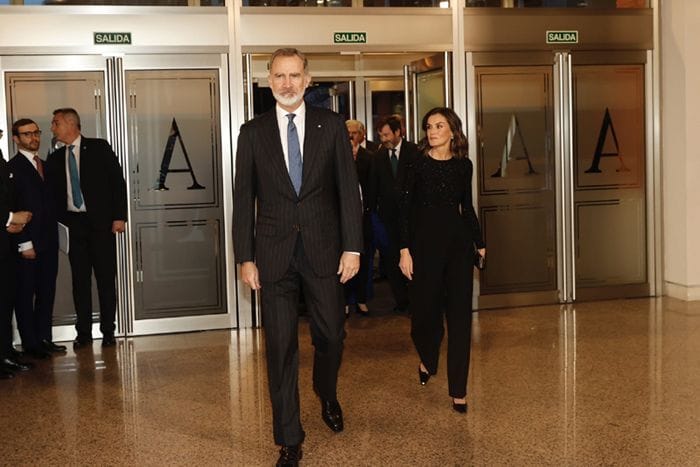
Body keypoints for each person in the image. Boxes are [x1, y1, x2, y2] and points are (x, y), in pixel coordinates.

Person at [233, 48, 363, 467]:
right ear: (268, 80)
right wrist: (245, 256)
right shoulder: (252, 133)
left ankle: (326, 392)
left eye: (294, 75)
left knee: (331, 335)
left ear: (308, 80)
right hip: (273, 255)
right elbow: (243, 200)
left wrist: (353, 246)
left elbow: (348, 193)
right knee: (280, 347)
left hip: (325, 251)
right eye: (278, 76)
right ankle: (289, 438)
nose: (287, 83)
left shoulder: (331, 127)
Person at [398, 107, 486, 414]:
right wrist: (404, 249)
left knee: (460, 318)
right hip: (424, 248)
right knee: (425, 315)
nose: (432, 131)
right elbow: (405, 209)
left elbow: (467, 207)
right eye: (428, 126)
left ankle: (458, 389)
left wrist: (480, 242)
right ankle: (427, 356)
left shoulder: (464, 166)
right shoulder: (416, 164)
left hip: (458, 247)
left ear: (452, 131)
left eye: (438, 125)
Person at [45, 108, 128, 349]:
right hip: (74, 227)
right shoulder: (55, 157)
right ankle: (83, 333)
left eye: (56, 123)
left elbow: (117, 183)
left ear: (71, 124)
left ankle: (108, 331)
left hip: (102, 225)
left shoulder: (99, 147)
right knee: (79, 282)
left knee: (104, 279)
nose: (52, 128)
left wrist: (119, 217)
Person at [9, 119, 64, 360]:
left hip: (49, 241)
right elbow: (13, 208)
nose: (34, 138)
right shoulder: (13, 168)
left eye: (36, 133)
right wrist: (24, 242)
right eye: (27, 134)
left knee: (47, 292)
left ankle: (44, 338)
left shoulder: (46, 166)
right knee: (25, 294)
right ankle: (30, 343)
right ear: (16, 139)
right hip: (28, 243)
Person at [367, 115, 419, 313]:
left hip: (413, 218)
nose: (384, 139)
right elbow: (373, 187)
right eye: (381, 135)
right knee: (391, 260)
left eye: (387, 134)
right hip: (388, 219)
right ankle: (402, 301)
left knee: (414, 258)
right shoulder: (379, 157)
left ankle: (417, 300)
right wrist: (371, 214)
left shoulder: (415, 152)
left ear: (398, 132)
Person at [0, 134, 33, 378]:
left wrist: (10, 221)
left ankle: (6, 352)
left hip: (6, 244)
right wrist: (10, 219)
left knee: (5, 301)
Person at [345, 119, 373, 316]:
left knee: (363, 261)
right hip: (342, 222)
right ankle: (344, 302)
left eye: (353, 133)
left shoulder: (370, 157)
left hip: (365, 219)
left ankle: (362, 299)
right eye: (347, 134)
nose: (351, 137)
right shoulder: (335, 159)